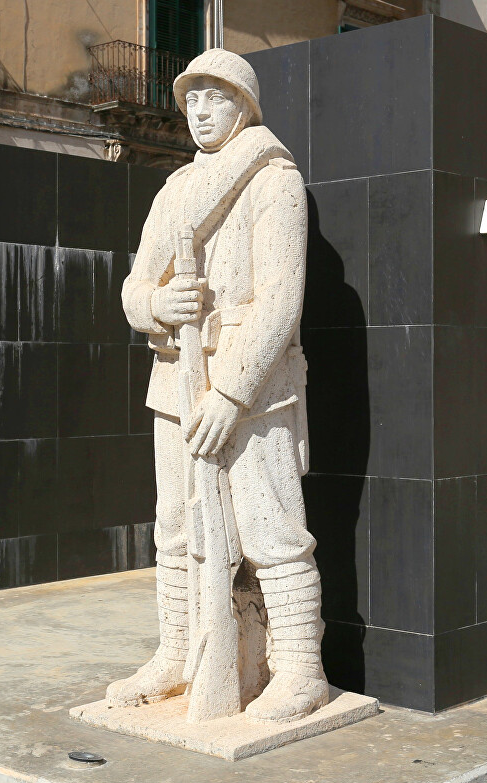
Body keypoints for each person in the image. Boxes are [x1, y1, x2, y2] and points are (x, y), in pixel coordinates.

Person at [108, 49, 328, 723]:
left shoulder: (274, 179)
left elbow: (280, 301)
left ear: (244, 105)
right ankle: (178, 648)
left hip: (252, 384)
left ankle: (298, 667)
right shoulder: (175, 190)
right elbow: (135, 285)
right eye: (192, 101)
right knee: (175, 525)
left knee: (272, 528)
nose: (202, 113)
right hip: (175, 379)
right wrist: (157, 306)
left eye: (216, 99)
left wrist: (230, 393)